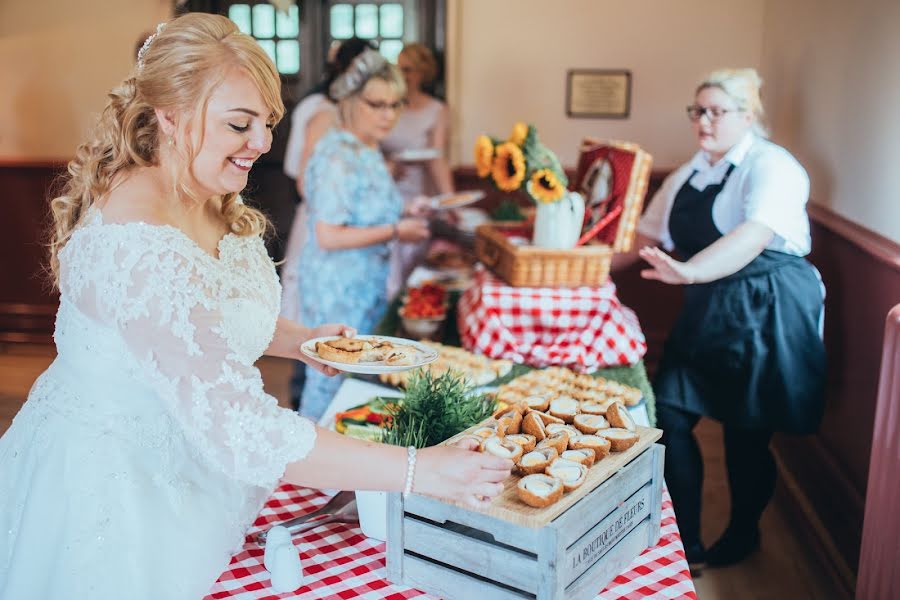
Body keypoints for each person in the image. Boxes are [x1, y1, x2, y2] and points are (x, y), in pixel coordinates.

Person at [0, 15, 510, 600]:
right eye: (240, 124)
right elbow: (242, 430)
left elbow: (206, 319)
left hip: (198, 466)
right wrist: (422, 469)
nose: (263, 144)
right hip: (118, 494)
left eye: (267, 123)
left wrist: (300, 339)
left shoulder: (204, 188)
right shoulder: (136, 243)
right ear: (170, 116)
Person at [620, 68, 826, 570]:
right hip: (711, 298)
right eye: (698, 111)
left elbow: (752, 237)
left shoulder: (772, 165)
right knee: (667, 414)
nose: (703, 121)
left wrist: (690, 272)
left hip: (766, 304)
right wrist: (574, 266)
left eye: (716, 111)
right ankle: (684, 543)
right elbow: (642, 239)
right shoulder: (691, 172)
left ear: (747, 116)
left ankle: (742, 534)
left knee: (745, 431)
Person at [297, 49, 431, 420]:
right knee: (329, 374)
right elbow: (328, 234)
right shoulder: (336, 156)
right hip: (336, 285)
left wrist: (407, 208)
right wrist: (395, 230)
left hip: (365, 282)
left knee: (353, 376)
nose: (388, 115)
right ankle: (310, 466)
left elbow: (365, 206)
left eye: (395, 104)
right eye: (377, 104)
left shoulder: (367, 148)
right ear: (351, 101)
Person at [280, 37, 374, 411]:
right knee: (317, 320)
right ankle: (310, 413)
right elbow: (306, 178)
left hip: (347, 234)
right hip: (325, 231)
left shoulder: (348, 114)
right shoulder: (323, 112)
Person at [380, 43, 454, 299]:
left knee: (413, 260)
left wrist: (450, 202)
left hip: (417, 191)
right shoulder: (386, 107)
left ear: (423, 73)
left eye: (408, 69)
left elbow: (437, 159)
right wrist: (385, 166)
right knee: (386, 263)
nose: (402, 75)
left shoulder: (436, 110)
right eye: (398, 69)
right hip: (383, 189)